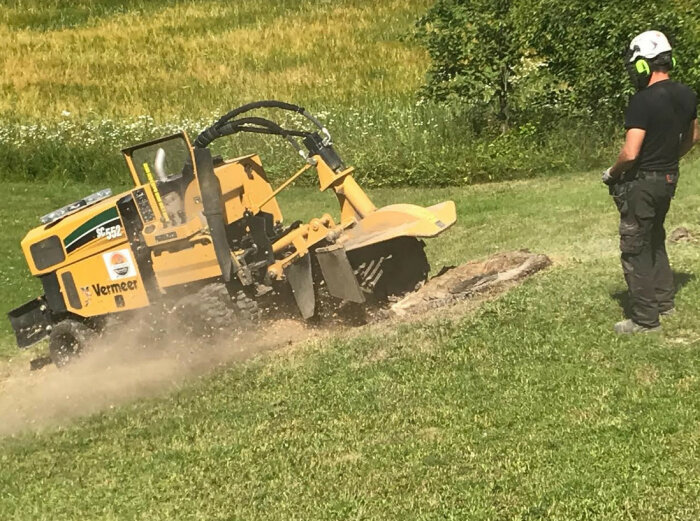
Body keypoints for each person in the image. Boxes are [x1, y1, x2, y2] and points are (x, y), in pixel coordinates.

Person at [602, 30, 699, 334]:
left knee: (635, 246)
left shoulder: (641, 101)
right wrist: (671, 159)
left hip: (642, 183)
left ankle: (645, 319)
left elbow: (631, 153)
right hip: (669, 178)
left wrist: (611, 173)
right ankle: (664, 302)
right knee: (655, 237)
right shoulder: (687, 94)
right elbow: (694, 136)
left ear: (643, 64)